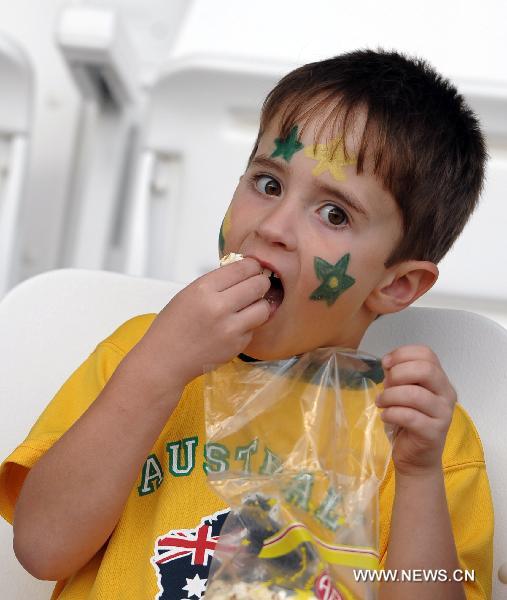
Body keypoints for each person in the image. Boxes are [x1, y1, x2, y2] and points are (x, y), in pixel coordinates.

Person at [0, 49, 492, 599]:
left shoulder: (421, 435)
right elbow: (42, 546)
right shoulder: (141, 353)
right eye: (268, 183)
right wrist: (159, 366)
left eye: (334, 214)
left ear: (395, 285)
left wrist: (420, 477)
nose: (274, 227)